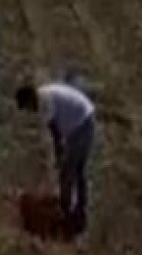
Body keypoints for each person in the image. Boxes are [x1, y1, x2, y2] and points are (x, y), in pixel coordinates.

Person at [16, 81, 96, 233]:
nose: (29, 111)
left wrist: (59, 153)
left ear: (29, 99)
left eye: (27, 107)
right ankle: (80, 207)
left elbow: (55, 132)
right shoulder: (44, 95)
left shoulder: (44, 101)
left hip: (81, 125)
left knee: (68, 171)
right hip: (85, 118)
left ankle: (64, 211)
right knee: (78, 168)